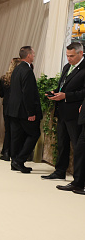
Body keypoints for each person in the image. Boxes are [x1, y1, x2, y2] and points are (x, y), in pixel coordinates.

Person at [46, 42, 85, 183]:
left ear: (81, 53)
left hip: (75, 113)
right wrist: (54, 93)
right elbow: (62, 86)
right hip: (62, 111)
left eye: (72, 56)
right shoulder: (67, 66)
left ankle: (79, 178)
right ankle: (59, 171)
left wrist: (66, 96)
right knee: (62, 143)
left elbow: (83, 92)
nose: (69, 58)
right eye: (67, 56)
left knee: (77, 145)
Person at [7, 46, 41, 173]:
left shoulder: (17, 69)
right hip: (24, 110)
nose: (34, 55)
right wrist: (31, 112)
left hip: (14, 109)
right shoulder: (27, 70)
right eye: (33, 53)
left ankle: (14, 161)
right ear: (28, 56)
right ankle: (19, 160)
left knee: (16, 136)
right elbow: (27, 93)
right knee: (34, 134)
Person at [0, 58, 22, 161]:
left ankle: (6, 152)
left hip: (7, 106)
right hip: (18, 107)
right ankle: (15, 152)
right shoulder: (21, 78)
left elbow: (1, 94)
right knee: (17, 130)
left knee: (8, 130)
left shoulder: (4, 78)